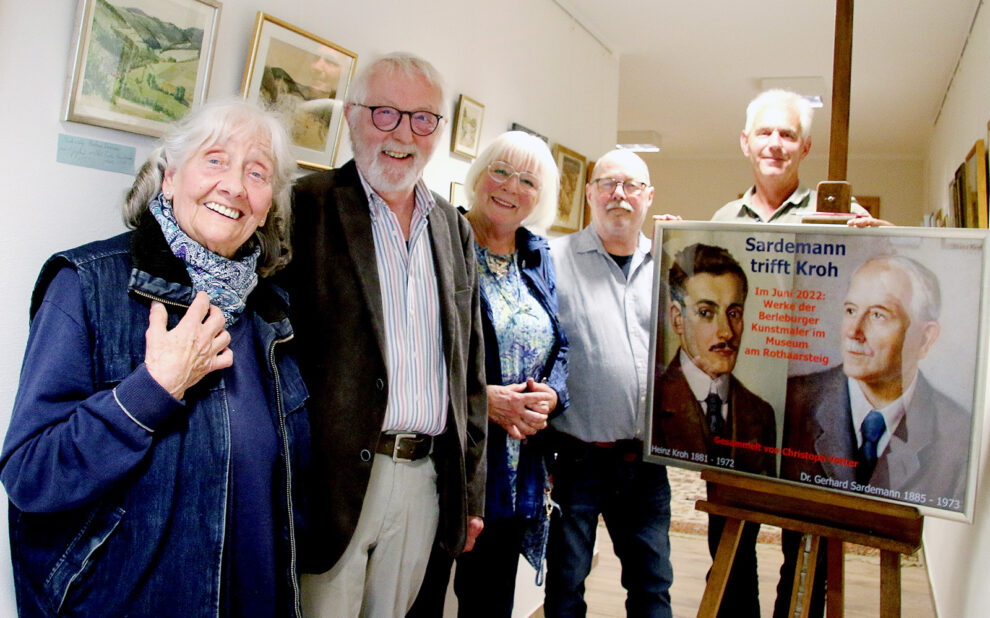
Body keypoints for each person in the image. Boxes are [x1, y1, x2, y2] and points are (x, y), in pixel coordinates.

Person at [1, 100, 308, 616]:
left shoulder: (270, 313)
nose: (235, 186)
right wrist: (152, 390)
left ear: (265, 207)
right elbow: (31, 475)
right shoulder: (87, 285)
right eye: (215, 160)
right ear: (169, 177)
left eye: (257, 173)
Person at [280, 52, 487, 617]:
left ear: (438, 130)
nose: (403, 134)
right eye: (385, 113)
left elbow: (468, 372)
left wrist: (469, 491)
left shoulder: (453, 227)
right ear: (351, 116)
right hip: (331, 484)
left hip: (423, 481)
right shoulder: (304, 207)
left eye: (422, 119)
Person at [410, 131, 569, 616]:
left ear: (540, 197)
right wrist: (484, 399)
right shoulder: (439, 241)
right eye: (500, 171)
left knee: (490, 604)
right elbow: (415, 347)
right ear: (479, 176)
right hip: (445, 461)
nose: (511, 187)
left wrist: (553, 396)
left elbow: (560, 343)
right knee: (421, 600)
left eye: (528, 181)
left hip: (513, 470)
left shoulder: (537, 255)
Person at [545, 149, 673, 617]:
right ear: (589, 193)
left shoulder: (669, 265)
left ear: (649, 197)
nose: (619, 194)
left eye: (631, 185)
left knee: (652, 587)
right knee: (565, 587)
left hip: (646, 463)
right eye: (608, 183)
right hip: (576, 459)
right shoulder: (552, 259)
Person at [651, 243, 775, 617]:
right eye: (706, 312)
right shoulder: (655, 401)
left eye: (734, 313)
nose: (726, 331)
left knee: (739, 548)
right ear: (677, 319)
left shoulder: (760, 413)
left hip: (738, 510)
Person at [781, 255, 967, 500]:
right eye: (851, 310)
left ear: (925, 338)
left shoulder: (960, 438)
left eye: (878, 315)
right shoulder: (790, 402)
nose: (853, 331)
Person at [710, 89, 877, 225]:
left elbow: (884, 251)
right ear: (745, 143)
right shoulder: (723, 219)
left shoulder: (840, 213)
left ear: (805, 148)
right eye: (764, 133)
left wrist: (886, 240)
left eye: (787, 135)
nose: (775, 144)